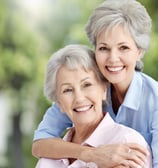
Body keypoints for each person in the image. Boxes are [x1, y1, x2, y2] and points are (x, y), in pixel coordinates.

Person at [32, 0, 158, 167]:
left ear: (139, 51)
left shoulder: (155, 100)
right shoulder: (83, 92)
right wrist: (90, 153)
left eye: (124, 48)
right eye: (104, 48)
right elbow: (40, 144)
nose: (113, 59)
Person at [35, 44, 152, 168]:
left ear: (104, 89)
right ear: (59, 103)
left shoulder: (127, 142)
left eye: (87, 85)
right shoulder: (48, 160)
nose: (79, 98)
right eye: (68, 90)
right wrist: (90, 154)